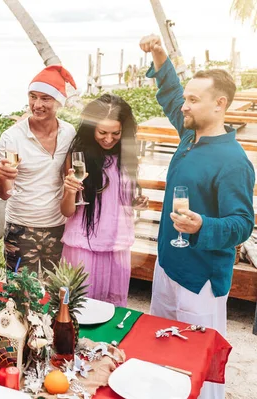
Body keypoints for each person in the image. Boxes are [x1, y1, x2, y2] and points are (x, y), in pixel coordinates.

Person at [140, 34, 254, 399]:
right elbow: (172, 93)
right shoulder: (190, 135)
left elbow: (242, 224)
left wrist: (203, 225)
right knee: (162, 349)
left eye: (193, 100)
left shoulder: (234, 161)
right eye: (186, 99)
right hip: (167, 266)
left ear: (219, 104)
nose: (184, 106)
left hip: (202, 280)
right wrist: (159, 55)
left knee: (196, 362)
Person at [60, 94, 148, 306]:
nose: (108, 139)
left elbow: (121, 196)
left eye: (115, 133)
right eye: (102, 132)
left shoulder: (127, 156)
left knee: (113, 308)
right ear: (92, 130)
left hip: (118, 245)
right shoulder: (78, 156)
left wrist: (135, 202)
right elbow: (67, 211)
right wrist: (70, 191)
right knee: (79, 308)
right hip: (83, 244)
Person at [0, 65, 77, 272]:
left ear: (59, 101)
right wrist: (4, 178)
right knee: (20, 293)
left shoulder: (69, 132)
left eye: (45, 98)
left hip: (58, 226)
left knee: (54, 292)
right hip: (21, 227)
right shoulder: (12, 137)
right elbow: (4, 194)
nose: (37, 104)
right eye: (33, 97)